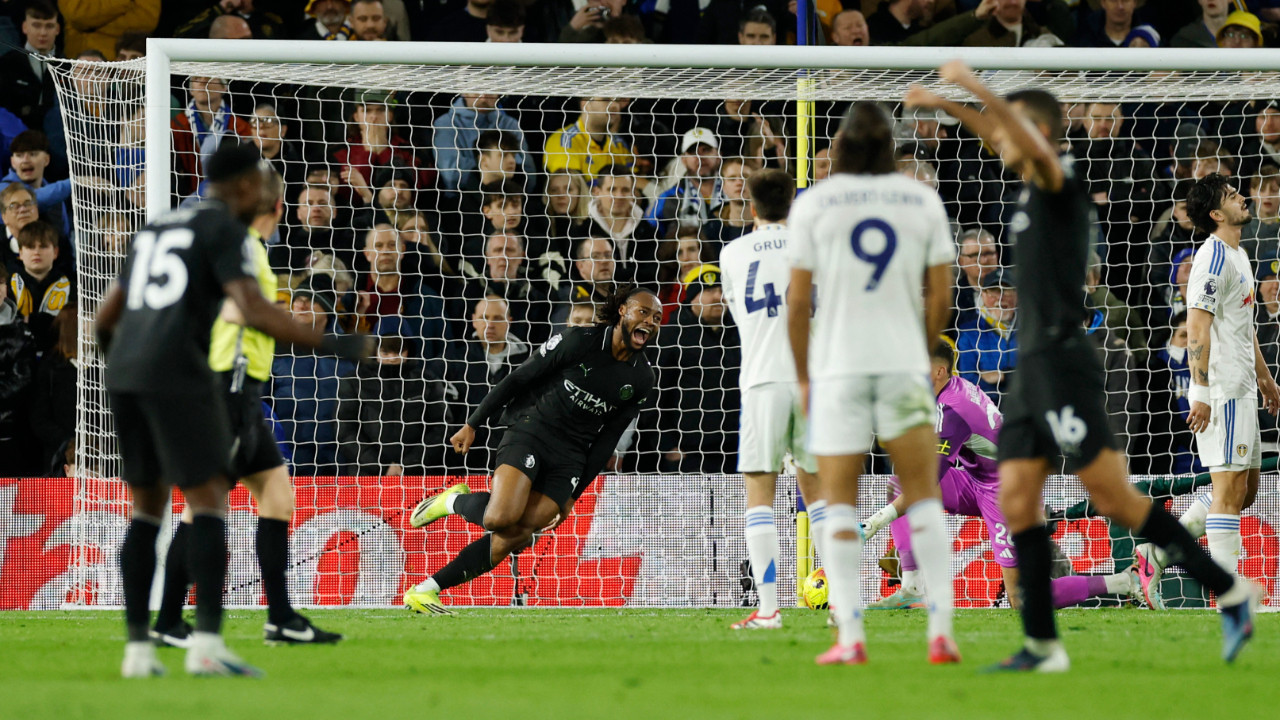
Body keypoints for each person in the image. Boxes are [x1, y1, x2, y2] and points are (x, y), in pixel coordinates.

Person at [907, 60, 1261, 671]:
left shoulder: (1060, 178)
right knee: (1017, 496)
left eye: (1014, 129)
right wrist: (950, 108)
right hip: (1032, 365)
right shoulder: (1029, 183)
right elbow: (999, 134)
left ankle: (1228, 590)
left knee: (1112, 496)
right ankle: (1042, 645)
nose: (1001, 140)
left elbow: (1021, 138)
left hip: (1065, 360)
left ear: (1039, 132)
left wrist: (967, 85)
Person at [93, 143, 367, 677]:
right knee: (206, 504)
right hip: (198, 378)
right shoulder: (224, 230)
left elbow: (106, 319)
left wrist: (129, 367)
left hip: (126, 373)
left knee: (147, 512)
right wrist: (336, 345)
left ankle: (139, 652)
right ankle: (205, 645)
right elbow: (253, 309)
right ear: (244, 185)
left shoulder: (156, 226)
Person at [785, 102, 957, 666]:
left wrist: (804, 377)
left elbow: (797, 303)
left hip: (840, 367)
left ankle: (851, 637)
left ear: (839, 147)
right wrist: (915, 348)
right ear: (891, 147)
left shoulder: (816, 204)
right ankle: (941, 632)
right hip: (901, 364)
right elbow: (941, 295)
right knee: (923, 496)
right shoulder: (921, 201)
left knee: (838, 502)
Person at [150, 167, 344, 649]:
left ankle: (281, 618)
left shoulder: (237, 245)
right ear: (277, 208)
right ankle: (169, 619)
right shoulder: (245, 249)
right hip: (230, 389)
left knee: (277, 497)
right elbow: (240, 309)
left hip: (241, 392)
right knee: (204, 506)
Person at [403, 286, 661, 614]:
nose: (650, 321)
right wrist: (473, 423)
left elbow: (607, 440)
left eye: (657, 318)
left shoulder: (642, 378)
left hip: (571, 455)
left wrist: (573, 496)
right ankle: (452, 501)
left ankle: (425, 591)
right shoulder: (579, 340)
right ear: (623, 311)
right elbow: (519, 378)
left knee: (518, 534)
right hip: (532, 431)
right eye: (643, 312)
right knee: (499, 518)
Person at [861, 341, 1142, 610]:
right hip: (978, 480)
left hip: (1009, 491)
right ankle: (912, 588)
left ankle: (1124, 581)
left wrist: (871, 525)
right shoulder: (951, 390)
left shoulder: (953, 410)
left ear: (939, 371)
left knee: (1022, 599)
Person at [1142, 173, 1280, 588]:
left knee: (1244, 492)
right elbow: (1197, 329)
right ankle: (1230, 593)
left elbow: (1243, 324)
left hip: (1242, 386)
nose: (1243, 198)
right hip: (1221, 389)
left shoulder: (1239, 254)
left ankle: (1156, 554)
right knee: (1228, 493)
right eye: (1233, 196)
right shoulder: (1213, 259)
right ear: (1217, 214)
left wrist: (1265, 377)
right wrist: (1199, 392)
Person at [719, 168, 822, 630]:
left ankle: (768, 610)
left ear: (753, 207)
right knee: (819, 497)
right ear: (793, 204)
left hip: (762, 380)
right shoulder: (815, 247)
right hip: (812, 381)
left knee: (760, 498)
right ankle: (842, 606)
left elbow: (738, 312)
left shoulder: (732, 252)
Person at [9, 219, 72, 352]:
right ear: (20, 253)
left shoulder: (72, 286)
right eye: (30, 247)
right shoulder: (7, 285)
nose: (36, 252)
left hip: (57, 354)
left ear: (55, 252)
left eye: (43, 246)